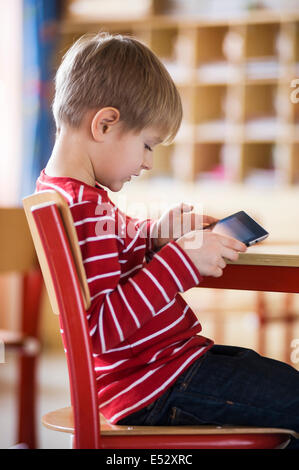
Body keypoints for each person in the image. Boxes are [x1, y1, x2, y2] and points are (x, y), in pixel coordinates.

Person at [35, 32, 299, 447]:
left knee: (272, 377)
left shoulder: (73, 196)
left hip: (166, 369)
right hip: (155, 385)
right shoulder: (82, 207)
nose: (147, 162)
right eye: (146, 145)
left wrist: (156, 235)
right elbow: (100, 330)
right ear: (104, 124)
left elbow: (112, 256)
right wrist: (180, 261)